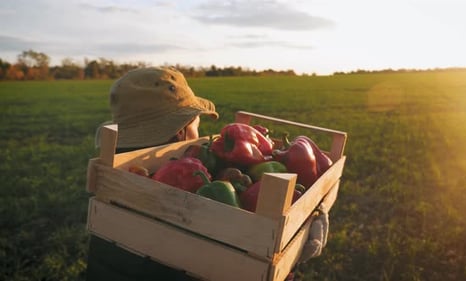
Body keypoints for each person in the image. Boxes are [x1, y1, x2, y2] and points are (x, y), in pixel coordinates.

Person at [86, 66, 328, 281]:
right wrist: (293, 244)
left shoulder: (117, 174)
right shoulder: (184, 194)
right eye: (196, 122)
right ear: (181, 131)